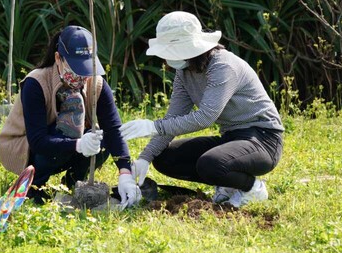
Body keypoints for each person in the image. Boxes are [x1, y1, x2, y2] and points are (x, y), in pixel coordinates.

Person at [120, 11, 284, 208]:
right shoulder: (184, 72)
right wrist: (145, 157)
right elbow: (174, 116)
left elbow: (205, 117)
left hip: (263, 139)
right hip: (231, 137)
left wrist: (154, 126)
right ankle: (228, 185)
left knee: (212, 163)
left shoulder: (223, 66)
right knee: (165, 158)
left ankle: (252, 188)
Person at [0, 25, 141, 208]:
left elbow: (114, 130)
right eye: (75, 68)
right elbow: (38, 141)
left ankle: (74, 182)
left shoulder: (96, 84)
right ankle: (36, 186)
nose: (82, 76)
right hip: (29, 148)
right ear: (58, 58)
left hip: (67, 145)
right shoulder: (36, 83)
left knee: (102, 139)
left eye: (86, 69)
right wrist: (78, 144)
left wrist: (125, 173)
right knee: (69, 131)